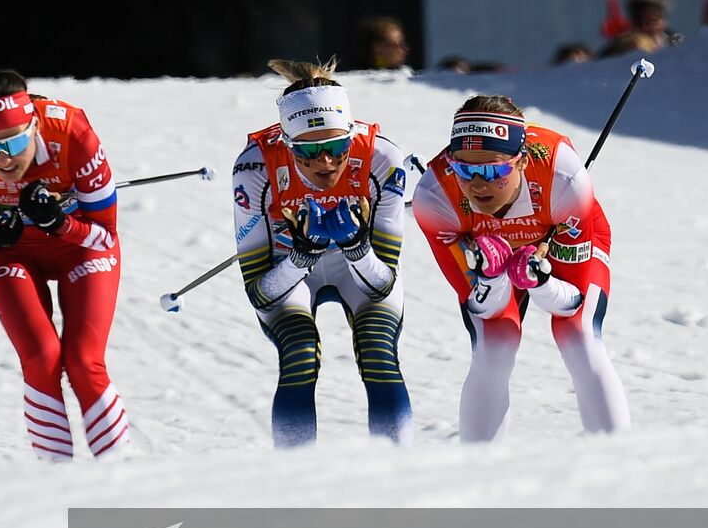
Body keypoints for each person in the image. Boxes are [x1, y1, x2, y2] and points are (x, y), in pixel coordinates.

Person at [0, 69, 129, 460]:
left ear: (34, 126)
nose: (1, 158)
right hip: (9, 250)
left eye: (13, 142)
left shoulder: (73, 135)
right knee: (40, 357)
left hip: (78, 247)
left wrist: (60, 222)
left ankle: (121, 473)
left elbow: (105, 235)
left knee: (84, 361)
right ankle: (55, 478)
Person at [411, 96, 630, 441]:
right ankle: (482, 469)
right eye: (464, 169)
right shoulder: (435, 196)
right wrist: (490, 276)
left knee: (578, 334)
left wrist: (540, 281)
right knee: (495, 344)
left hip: (558, 232)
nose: (478, 184)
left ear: (523, 162)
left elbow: (570, 300)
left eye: (494, 170)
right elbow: (482, 305)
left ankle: (618, 458)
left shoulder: (565, 180)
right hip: (488, 249)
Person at [231, 59, 412, 448]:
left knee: (378, 352)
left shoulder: (383, 160)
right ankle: (297, 482)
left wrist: (357, 248)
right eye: (308, 152)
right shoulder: (255, 166)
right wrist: (301, 256)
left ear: (351, 135)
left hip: (359, 271)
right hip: (288, 271)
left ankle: (398, 474)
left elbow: (383, 284)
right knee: (298, 354)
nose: (325, 162)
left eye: (335, 147)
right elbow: (259, 293)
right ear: (286, 143)